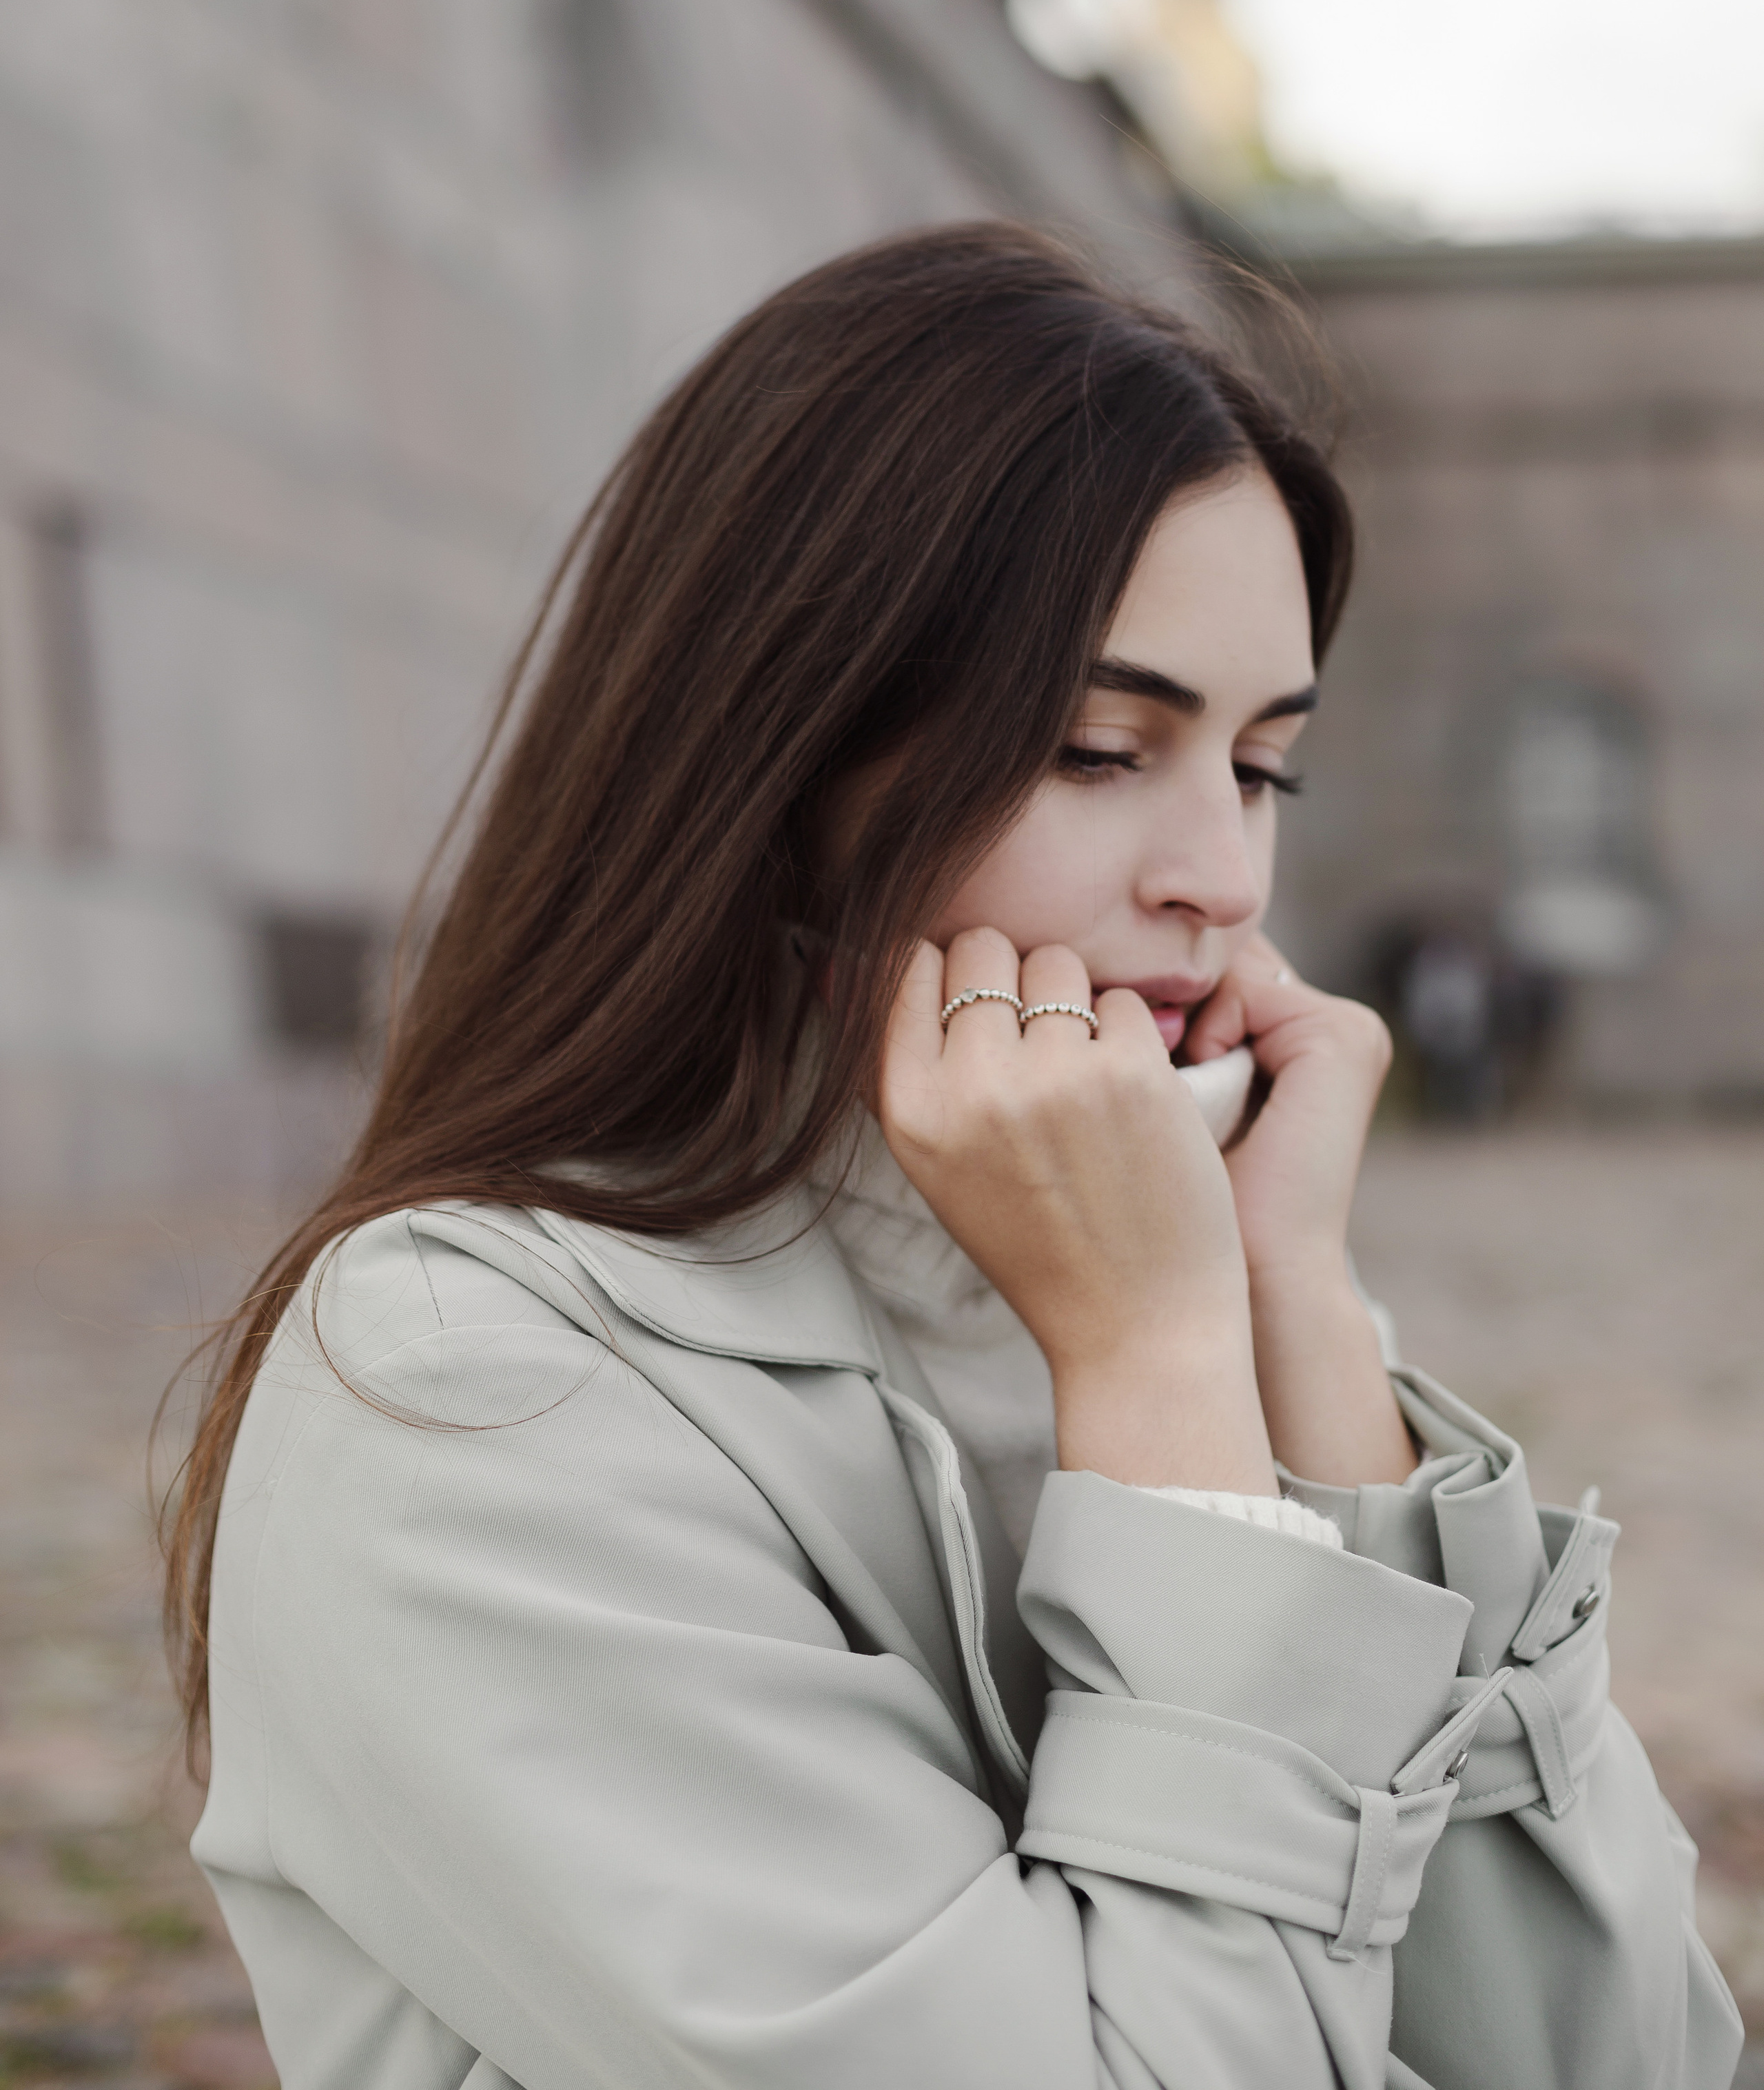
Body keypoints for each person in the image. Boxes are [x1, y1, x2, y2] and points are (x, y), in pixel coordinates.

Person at [165, 223, 1741, 2089]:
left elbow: (1609, 2055)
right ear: (776, 755)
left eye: (1260, 768)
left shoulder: (1161, 1279)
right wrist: (1160, 1385)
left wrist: (1296, 1329)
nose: (1223, 881)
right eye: (1097, 750)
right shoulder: (467, 1397)